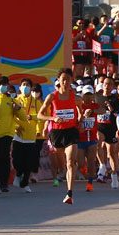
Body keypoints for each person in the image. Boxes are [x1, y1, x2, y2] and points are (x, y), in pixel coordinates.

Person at [40, 69, 83, 205]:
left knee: (71, 162)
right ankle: (61, 171)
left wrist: (80, 119)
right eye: (63, 79)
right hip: (57, 133)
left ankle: (69, 193)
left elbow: (80, 113)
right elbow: (40, 115)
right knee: (61, 164)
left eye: (68, 79)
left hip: (71, 131)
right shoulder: (52, 97)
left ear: (71, 80)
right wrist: (53, 118)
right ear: (58, 80)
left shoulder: (76, 98)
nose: (65, 81)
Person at [12, 79, 44, 192]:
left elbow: (41, 118)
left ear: (31, 88)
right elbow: (10, 117)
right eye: (23, 85)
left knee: (28, 162)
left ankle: (25, 183)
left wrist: (38, 128)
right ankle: (18, 175)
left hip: (31, 136)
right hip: (18, 135)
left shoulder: (37, 103)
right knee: (17, 160)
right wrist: (16, 127)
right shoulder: (15, 101)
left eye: (28, 85)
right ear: (19, 87)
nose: (25, 87)